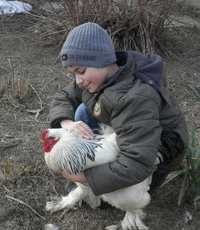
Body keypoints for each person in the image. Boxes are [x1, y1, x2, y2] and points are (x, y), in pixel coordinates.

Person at [49, 22, 187, 196]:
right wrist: (66, 122)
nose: (78, 80)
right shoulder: (100, 77)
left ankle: (146, 177)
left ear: (103, 60)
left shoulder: (135, 97)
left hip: (157, 149)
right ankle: (104, 165)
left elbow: (138, 162)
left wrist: (85, 179)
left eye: (81, 71)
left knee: (120, 198)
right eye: (73, 74)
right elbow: (65, 96)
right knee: (82, 111)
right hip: (129, 129)